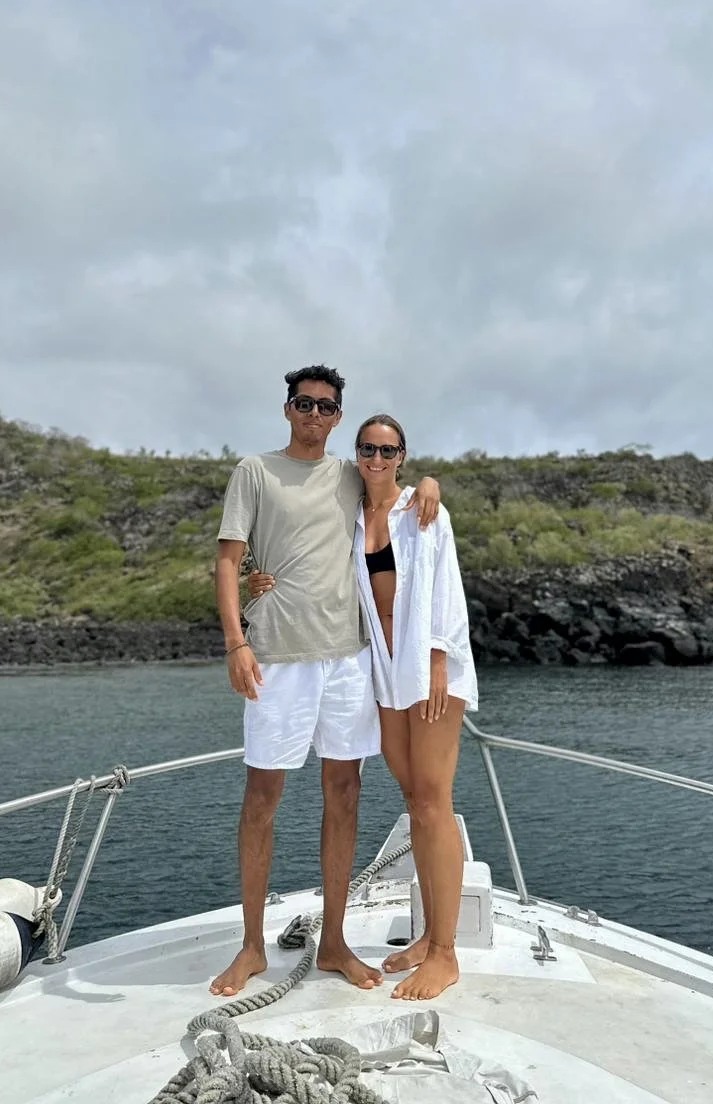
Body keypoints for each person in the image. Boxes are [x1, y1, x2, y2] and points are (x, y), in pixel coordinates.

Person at [210, 367, 441, 998]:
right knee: (262, 798)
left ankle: (335, 942)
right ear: (288, 409)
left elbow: (393, 485)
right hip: (276, 656)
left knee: (345, 791)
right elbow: (230, 561)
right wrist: (236, 643)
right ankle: (253, 946)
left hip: (347, 658)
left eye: (326, 406)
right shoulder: (254, 471)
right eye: (304, 403)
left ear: (339, 416)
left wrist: (429, 480)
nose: (315, 414)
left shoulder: (349, 471)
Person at [250, 413, 478, 1001]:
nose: (376, 458)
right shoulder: (353, 514)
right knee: (413, 797)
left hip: (429, 671)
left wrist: (435, 662)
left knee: (432, 801)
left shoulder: (424, 513)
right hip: (384, 672)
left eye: (388, 450)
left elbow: (445, 590)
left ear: (403, 455)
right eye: (367, 449)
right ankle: (430, 936)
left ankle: (446, 953)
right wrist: (260, 578)